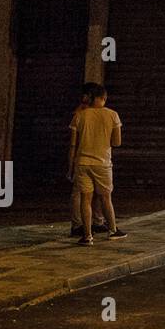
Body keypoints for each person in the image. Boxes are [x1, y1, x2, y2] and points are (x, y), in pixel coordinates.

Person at [68, 83, 127, 245]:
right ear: (103, 98)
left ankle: (87, 236)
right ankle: (113, 230)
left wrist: (70, 166)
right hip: (102, 163)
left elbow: (73, 144)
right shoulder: (113, 115)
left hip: (83, 163)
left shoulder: (79, 116)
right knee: (105, 197)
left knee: (85, 199)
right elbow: (117, 142)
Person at [69, 82, 108, 238]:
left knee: (94, 193)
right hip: (91, 160)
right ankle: (80, 224)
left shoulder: (89, 113)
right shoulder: (81, 114)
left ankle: (94, 222)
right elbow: (73, 143)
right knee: (82, 193)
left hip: (93, 159)